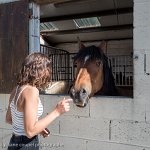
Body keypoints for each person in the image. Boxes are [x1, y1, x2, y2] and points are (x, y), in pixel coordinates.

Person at [6, 52, 72, 150]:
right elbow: (30, 132)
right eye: (48, 69)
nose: (49, 73)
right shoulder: (31, 91)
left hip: (14, 142)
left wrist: (39, 128)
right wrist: (57, 111)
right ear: (40, 71)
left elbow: (9, 119)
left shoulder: (16, 90)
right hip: (27, 144)